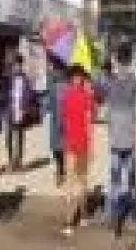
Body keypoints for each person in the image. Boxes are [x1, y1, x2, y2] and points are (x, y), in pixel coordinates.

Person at [107, 43, 136, 236]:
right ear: (129, 59)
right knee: (131, 179)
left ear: (116, 59)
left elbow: (107, 114)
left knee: (113, 180)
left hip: (114, 140)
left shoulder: (111, 82)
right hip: (129, 138)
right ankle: (134, 215)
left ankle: (113, 217)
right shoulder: (134, 82)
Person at [61, 64, 95, 237]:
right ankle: (81, 216)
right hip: (79, 144)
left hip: (72, 143)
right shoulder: (87, 96)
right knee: (80, 181)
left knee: (73, 182)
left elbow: (65, 121)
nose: (78, 79)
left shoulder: (66, 96)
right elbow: (89, 123)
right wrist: (92, 146)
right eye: (78, 77)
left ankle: (72, 220)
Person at [5, 54, 31, 172]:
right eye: (16, 65)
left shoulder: (26, 79)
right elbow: (2, 94)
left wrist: (25, 109)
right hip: (10, 111)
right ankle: (11, 161)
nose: (18, 67)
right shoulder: (8, 78)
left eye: (19, 65)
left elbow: (29, 95)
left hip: (21, 111)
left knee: (20, 137)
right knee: (9, 137)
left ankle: (19, 162)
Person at [46, 57, 68, 186]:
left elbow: (55, 103)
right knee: (60, 146)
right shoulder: (60, 81)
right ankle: (61, 170)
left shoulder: (57, 83)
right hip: (60, 117)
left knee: (57, 146)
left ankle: (60, 172)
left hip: (58, 119)